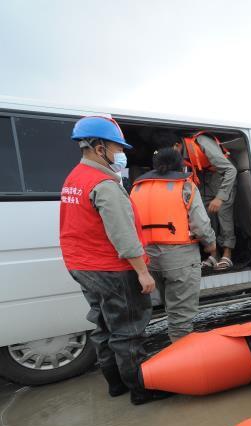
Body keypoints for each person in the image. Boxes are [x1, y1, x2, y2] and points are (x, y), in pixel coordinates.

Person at [59, 116, 166, 405]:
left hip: (83, 266)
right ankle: (142, 390)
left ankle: (116, 385)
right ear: (98, 147)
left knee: (104, 326)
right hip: (111, 268)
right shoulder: (103, 183)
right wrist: (143, 273)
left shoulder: (74, 178)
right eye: (117, 147)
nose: (122, 154)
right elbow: (123, 235)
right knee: (128, 331)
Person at [130, 147, 217, 342]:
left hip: (148, 258)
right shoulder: (185, 186)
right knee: (181, 317)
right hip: (180, 258)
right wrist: (211, 245)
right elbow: (201, 225)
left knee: (169, 307)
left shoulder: (137, 187)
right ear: (179, 164)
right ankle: (182, 361)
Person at [173, 132, 238, 271]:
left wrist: (220, 197)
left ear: (177, 145)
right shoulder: (182, 153)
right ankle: (214, 254)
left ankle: (228, 254)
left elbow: (230, 170)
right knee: (205, 217)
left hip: (223, 178)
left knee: (223, 213)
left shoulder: (201, 142)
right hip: (205, 181)